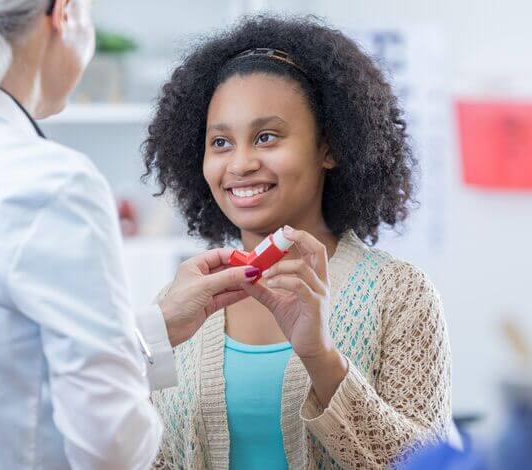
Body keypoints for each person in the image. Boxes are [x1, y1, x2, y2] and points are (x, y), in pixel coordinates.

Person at [0, 1, 260, 468]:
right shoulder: (53, 184)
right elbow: (112, 441)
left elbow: (4, 361)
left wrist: (153, 329)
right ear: (65, 13)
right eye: (219, 142)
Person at [143, 16, 459, 469]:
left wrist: (320, 357)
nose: (241, 163)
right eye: (220, 142)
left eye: (266, 137)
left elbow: (430, 464)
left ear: (329, 148)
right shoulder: (181, 304)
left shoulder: (400, 294)